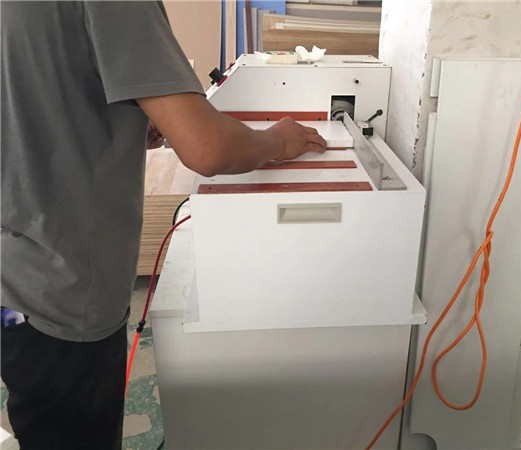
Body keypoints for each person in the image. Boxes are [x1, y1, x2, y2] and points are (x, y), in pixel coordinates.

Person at [0, 1, 327, 449]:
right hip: (65, 293)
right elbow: (208, 148)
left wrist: (125, 122)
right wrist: (276, 140)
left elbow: (37, 96)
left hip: (15, 276)